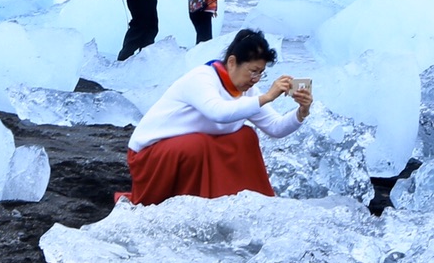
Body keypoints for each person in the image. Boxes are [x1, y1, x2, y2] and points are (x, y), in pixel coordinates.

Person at [124, 28, 310, 205]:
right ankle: (190, 203)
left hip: (183, 151)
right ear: (231, 62)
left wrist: (301, 113)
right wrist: (267, 97)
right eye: (253, 71)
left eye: (261, 73)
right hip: (148, 155)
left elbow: (275, 127)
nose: (256, 78)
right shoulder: (201, 78)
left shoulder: (249, 90)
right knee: (197, 145)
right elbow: (218, 112)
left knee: (245, 136)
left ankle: (241, 199)